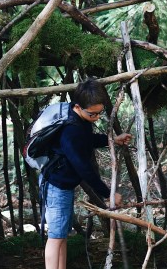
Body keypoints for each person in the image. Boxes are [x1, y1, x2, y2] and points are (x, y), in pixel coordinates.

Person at [41, 78, 132, 269]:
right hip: (56, 186)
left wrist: (112, 140)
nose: (96, 118)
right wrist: (108, 193)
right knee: (55, 237)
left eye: (99, 113)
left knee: (61, 235)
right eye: (93, 114)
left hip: (64, 185)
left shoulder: (80, 121)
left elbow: (88, 139)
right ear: (77, 107)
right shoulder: (70, 130)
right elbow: (83, 168)